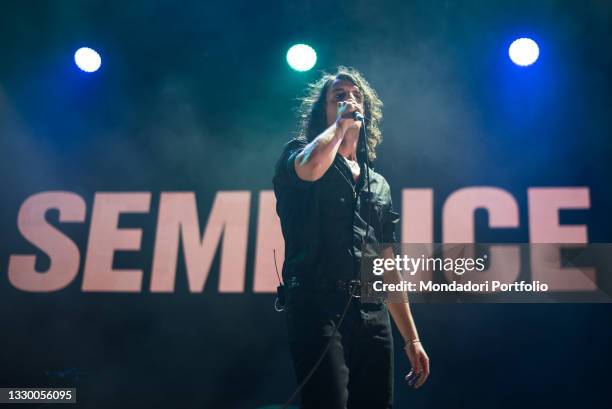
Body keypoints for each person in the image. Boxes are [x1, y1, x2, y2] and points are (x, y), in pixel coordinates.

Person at [273, 66, 429, 408]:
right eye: (338, 96)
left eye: (355, 95)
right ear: (323, 112)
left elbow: (388, 265)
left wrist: (411, 338)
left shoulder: (379, 184)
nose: (349, 100)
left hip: (372, 313)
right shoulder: (297, 153)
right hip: (316, 305)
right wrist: (340, 124)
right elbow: (311, 168)